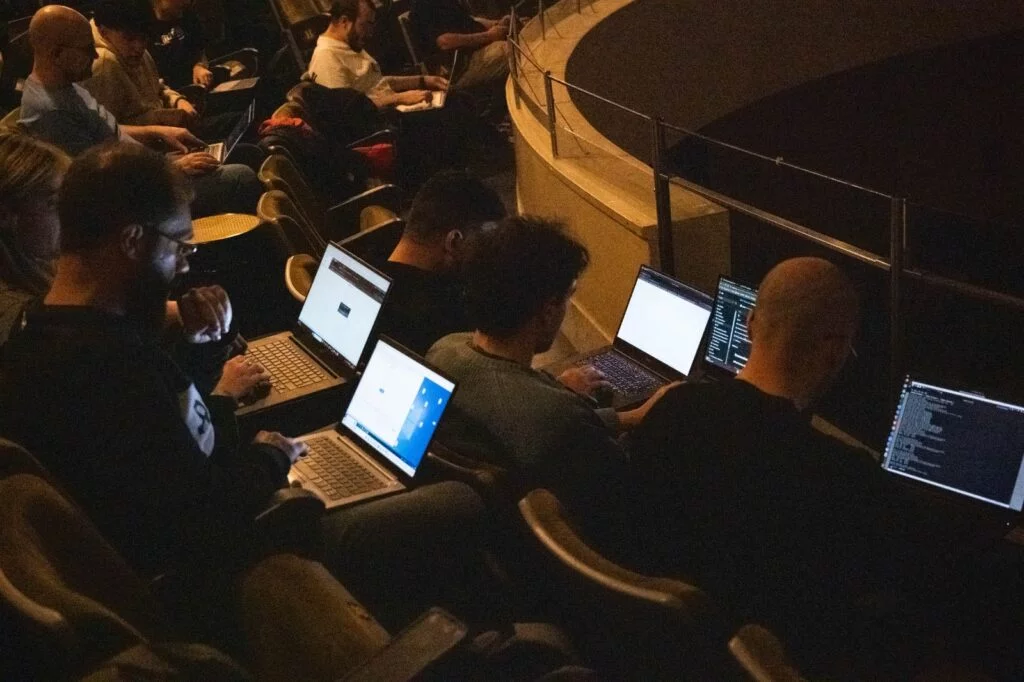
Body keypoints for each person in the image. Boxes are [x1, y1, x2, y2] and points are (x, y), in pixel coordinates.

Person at [627, 257, 942, 675]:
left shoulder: (671, 407)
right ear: (834, 351)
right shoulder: (845, 475)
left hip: (661, 655)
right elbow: (918, 578)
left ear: (750, 324)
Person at [425, 216, 668, 557]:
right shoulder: (557, 419)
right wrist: (659, 417)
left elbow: (513, 410)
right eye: (568, 296)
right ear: (548, 310)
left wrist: (621, 413)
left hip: (489, 548)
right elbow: (629, 500)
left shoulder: (443, 351)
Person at [18, 4, 260, 216]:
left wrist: (159, 134)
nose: (95, 54)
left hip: (142, 166)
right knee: (242, 177)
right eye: (87, 49)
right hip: (131, 200)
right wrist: (169, 168)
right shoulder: (50, 112)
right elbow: (98, 182)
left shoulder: (65, 87)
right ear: (57, 54)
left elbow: (110, 132)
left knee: (246, 152)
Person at [377, 170, 506, 355]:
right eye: (487, 245)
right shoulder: (448, 317)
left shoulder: (365, 266)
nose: (489, 258)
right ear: (454, 241)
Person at [307, 0, 448, 109]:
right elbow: (349, 110)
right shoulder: (326, 57)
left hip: (396, 112)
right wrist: (399, 98)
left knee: (451, 97)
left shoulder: (348, 45)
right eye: (366, 25)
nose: (370, 33)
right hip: (387, 126)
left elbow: (378, 83)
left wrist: (424, 80)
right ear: (344, 21)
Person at [0, 131, 69, 346]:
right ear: (5, 215)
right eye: (54, 203)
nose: (70, 214)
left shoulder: (36, 271)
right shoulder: (20, 321)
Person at [408, 0, 510, 89]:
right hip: (462, 68)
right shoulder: (423, 5)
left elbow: (468, 20)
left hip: (475, 52)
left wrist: (496, 23)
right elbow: (444, 42)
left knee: (517, 33)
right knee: (512, 50)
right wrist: (489, 36)